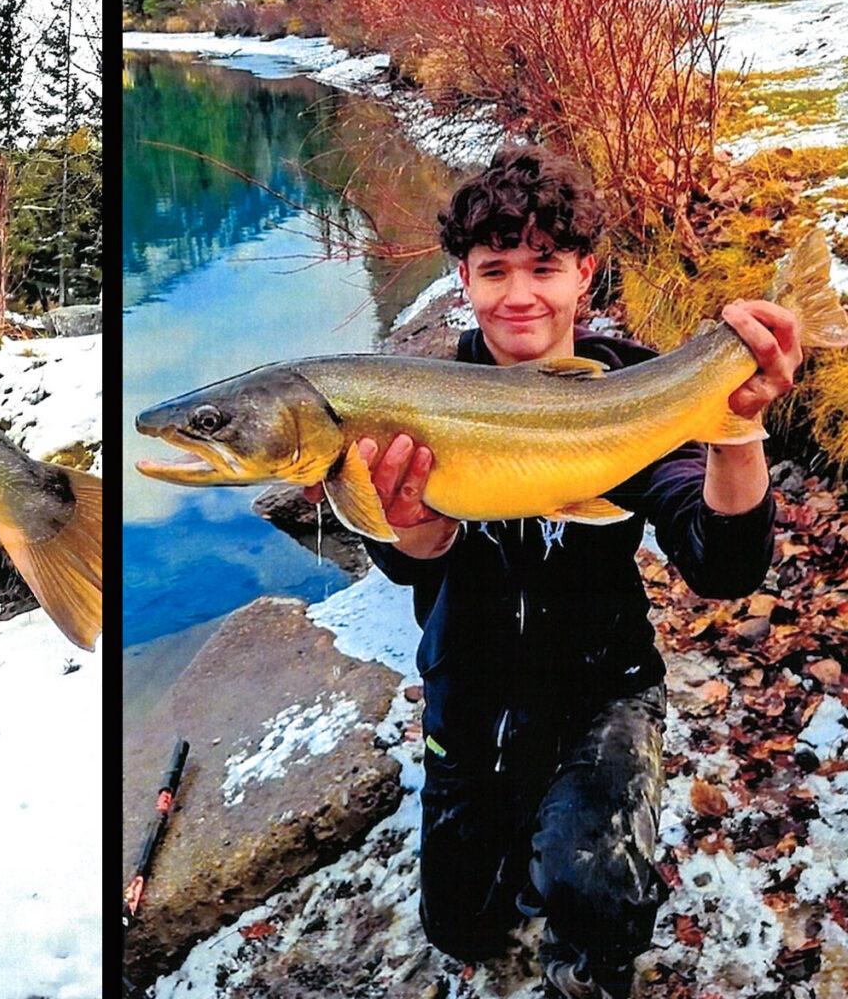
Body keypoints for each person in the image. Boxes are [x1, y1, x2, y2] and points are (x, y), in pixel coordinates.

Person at [306, 146, 800, 998]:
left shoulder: (633, 387)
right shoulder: (421, 391)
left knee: (591, 887)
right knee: (461, 927)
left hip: (603, 686)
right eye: (495, 270)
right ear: (463, 277)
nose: (521, 293)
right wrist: (415, 523)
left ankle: (598, 944)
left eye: (545, 266)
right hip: (474, 692)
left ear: (586, 274)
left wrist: (736, 427)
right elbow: (406, 561)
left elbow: (723, 568)